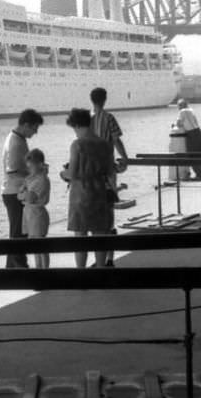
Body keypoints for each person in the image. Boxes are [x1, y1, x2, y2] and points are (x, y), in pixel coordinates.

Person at [61, 108, 115, 268]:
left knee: (81, 237)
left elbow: (72, 173)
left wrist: (63, 173)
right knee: (100, 235)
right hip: (99, 192)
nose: (75, 132)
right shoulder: (104, 144)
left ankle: (82, 274)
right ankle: (100, 270)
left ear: (77, 125)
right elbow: (110, 170)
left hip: (80, 195)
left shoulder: (77, 145)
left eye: (74, 129)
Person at [90, 86, 128, 267]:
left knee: (96, 214)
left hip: (91, 172)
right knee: (109, 213)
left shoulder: (87, 120)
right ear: (105, 100)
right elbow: (116, 140)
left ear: (92, 100)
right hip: (108, 170)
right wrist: (125, 158)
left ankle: (98, 257)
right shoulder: (109, 118)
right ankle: (109, 258)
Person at [2, 108, 44, 268]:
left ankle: (11, 269)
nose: (36, 132)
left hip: (12, 191)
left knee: (16, 232)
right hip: (15, 192)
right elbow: (13, 171)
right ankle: (22, 269)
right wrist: (34, 174)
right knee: (20, 234)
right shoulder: (16, 143)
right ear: (26, 125)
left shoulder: (16, 138)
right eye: (35, 128)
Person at [18, 148, 51, 269]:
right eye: (28, 167)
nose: (29, 170)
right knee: (36, 246)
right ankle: (38, 269)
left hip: (37, 215)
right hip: (30, 214)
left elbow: (29, 198)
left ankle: (44, 270)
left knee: (41, 245)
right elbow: (20, 194)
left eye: (31, 167)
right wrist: (23, 194)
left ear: (40, 165)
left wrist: (23, 194)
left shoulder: (42, 180)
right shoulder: (32, 179)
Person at [174, 98, 201, 179]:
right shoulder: (191, 110)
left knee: (192, 155)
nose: (178, 107)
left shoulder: (182, 111)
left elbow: (178, 124)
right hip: (199, 133)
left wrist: (176, 125)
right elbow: (195, 122)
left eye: (178, 106)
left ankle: (198, 175)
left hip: (192, 135)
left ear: (181, 106)